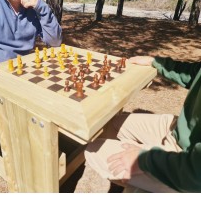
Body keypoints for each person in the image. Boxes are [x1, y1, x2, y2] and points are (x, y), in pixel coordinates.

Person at [85, 55, 201, 192]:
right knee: (111, 123)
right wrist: (155, 62)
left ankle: (142, 185)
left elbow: (195, 174)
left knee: (93, 150)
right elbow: (195, 72)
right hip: (181, 129)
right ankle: (131, 178)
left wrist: (144, 159)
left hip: (187, 163)